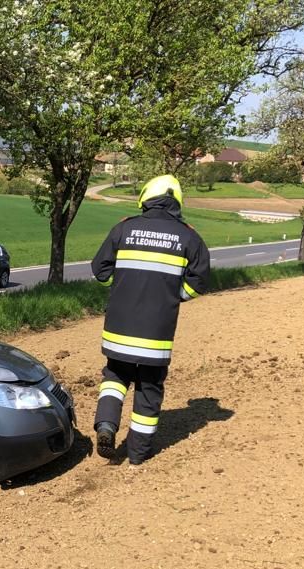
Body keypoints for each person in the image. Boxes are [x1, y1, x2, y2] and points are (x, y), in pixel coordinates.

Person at [91, 174, 211, 465]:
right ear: (177, 202)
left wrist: (119, 288)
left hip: (118, 328)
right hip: (156, 333)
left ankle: (106, 425)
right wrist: (175, 296)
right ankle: (138, 454)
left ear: (145, 198)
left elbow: (99, 269)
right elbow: (200, 280)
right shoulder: (189, 236)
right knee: (149, 386)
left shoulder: (124, 228)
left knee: (115, 376)